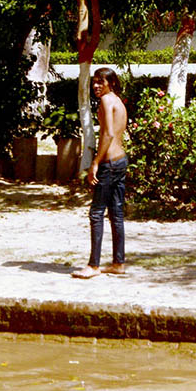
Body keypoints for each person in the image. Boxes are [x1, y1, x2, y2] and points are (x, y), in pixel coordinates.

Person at [72, 67, 128, 279]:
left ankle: (93, 265)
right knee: (116, 214)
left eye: (100, 82)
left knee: (96, 213)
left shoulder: (106, 101)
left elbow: (108, 134)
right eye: (94, 82)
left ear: (110, 83)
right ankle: (118, 263)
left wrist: (95, 162)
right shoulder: (118, 101)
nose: (96, 86)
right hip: (120, 161)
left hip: (109, 164)